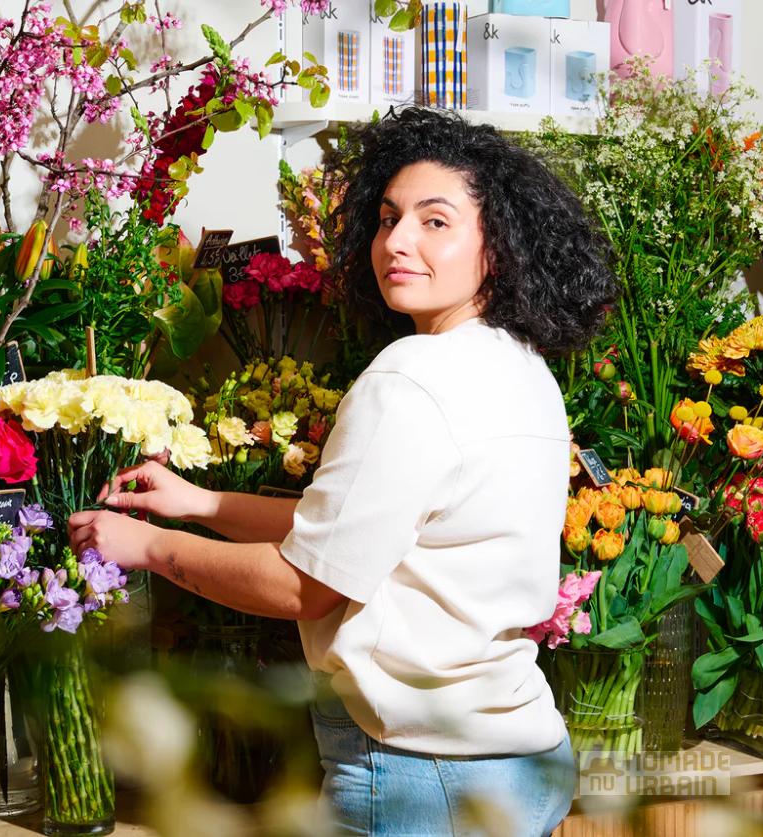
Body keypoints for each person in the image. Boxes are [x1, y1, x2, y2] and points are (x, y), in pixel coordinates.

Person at [69, 108, 617, 836]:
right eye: (388, 219)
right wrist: (202, 504)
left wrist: (146, 546)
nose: (397, 241)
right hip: (522, 758)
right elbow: (368, 537)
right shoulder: (520, 368)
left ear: (500, 244)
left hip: (424, 774)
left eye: (435, 221)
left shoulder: (410, 380)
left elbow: (306, 586)